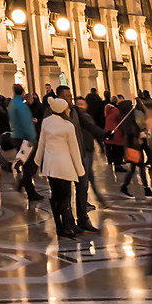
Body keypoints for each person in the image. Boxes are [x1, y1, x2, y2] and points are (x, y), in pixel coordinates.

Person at [37, 92, 88, 238]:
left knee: (56, 195)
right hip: (64, 166)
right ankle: (66, 226)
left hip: (50, 166)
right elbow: (74, 150)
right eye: (66, 108)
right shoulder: (68, 125)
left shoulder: (46, 122)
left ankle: (60, 226)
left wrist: (37, 161)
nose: (68, 110)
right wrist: (80, 170)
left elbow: (41, 143)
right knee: (65, 196)